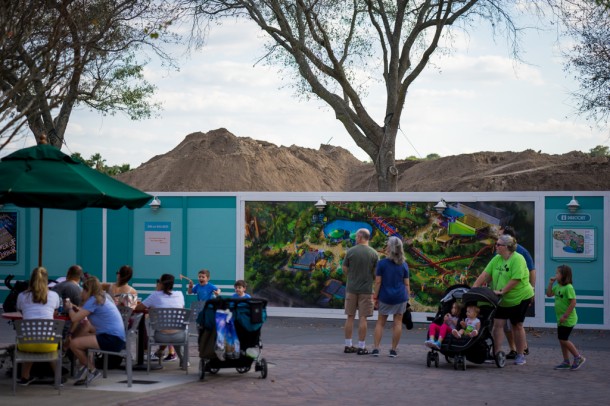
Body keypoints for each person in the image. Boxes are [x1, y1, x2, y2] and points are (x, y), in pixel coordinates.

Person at [473, 234, 534, 366]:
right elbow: (485, 274)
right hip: (501, 299)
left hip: (520, 297)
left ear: (507, 247)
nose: (496, 246)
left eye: (498, 244)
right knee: (498, 324)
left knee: (516, 325)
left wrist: (502, 291)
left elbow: (516, 279)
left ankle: (520, 354)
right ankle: (497, 353)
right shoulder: (496, 259)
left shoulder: (518, 259)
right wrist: (474, 288)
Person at [68, 276, 126, 386]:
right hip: (117, 338)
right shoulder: (100, 298)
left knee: (74, 344)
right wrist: (76, 308)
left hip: (111, 339)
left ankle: (91, 370)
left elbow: (75, 318)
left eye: (83, 290)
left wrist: (69, 308)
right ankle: (85, 366)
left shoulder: (92, 300)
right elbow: (85, 313)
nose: (81, 293)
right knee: (85, 331)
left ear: (87, 290)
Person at [15, 266, 61, 386]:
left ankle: (25, 377)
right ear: (46, 280)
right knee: (49, 339)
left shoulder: (22, 296)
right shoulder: (54, 296)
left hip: (26, 345)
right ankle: (58, 378)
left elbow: (21, 312)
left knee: (30, 335)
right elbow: (55, 312)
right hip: (48, 345)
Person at [371, 236, 410, 357]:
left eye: (387, 244)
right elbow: (407, 284)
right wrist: (407, 299)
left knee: (380, 322)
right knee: (397, 323)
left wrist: (375, 297)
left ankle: (376, 348)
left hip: (385, 297)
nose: (386, 246)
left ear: (390, 248)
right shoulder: (404, 265)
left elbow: (378, 282)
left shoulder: (382, 264)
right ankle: (393, 350)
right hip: (400, 297)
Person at [342, 228, 379, 355]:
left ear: (360, 237)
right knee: (363, 318)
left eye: (356, 236)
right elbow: (376, 273)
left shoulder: (350, 251)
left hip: (351, 289)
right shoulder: (374, 254)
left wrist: (351, 276)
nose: (355, 238)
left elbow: (344, 268)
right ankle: (362, 346)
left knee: (350, 317)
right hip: (366, 290)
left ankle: (348, 345)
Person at [501, 226, 535, 359]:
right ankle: (514, 349)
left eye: (501, 235)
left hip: (518, 294)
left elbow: (532, 271)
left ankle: (522, 348)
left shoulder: (521, 252)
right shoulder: (499, 250)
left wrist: (532, 290)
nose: (497, 239)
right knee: (505, 325)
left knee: (516, 323)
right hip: (503, 295)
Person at [136, 274, 186, 364]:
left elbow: (138, 308)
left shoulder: (155, 295)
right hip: (180, 336)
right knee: (175, 330)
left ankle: (160, 351)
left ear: (161, 283)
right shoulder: (180, 294)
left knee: (166, 330)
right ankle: (183, 360)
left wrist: (157, 292)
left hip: (160, 337)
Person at [546, 265, 586, 370]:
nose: (555, 275)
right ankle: (566, 361)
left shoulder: (568, 287)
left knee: (563, 339)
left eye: (557, 273)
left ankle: (578, 357)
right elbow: (549, 294)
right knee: (561, 339)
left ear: (563, 275)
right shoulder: (558, 286)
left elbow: (573, 302)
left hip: (568, 319)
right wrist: (550, 283)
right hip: (560, 318)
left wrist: (565, 316)